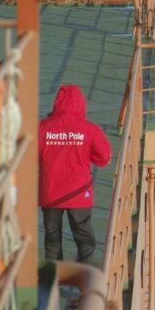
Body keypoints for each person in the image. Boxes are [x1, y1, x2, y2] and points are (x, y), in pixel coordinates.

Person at [38, 84, 111, 263]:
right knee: (84, 236)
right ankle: (84, 277)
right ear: (81, 104)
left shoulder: (42, 127)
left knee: (52, 238)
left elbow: (30, 154)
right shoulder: (89, 129)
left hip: (51, 192)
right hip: (79, 192)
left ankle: (53, 280)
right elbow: (104, 157)